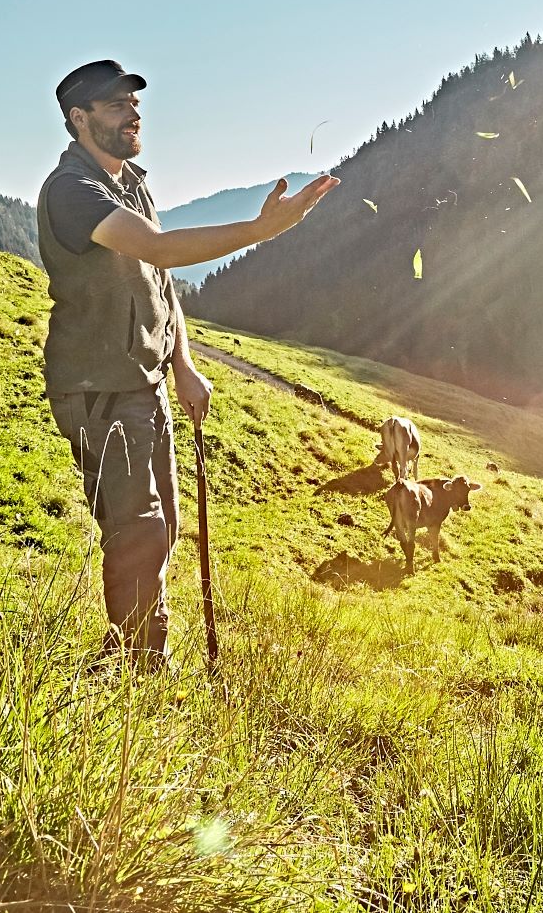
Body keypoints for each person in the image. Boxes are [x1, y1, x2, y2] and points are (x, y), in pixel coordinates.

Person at [37, 59, 337, 667]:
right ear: (79, 118)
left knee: (163, 525)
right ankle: (141, 664)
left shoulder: (132, 182)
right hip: (97, 387)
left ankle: (135, 651)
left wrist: (183, 365)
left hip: (144, 383)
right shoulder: (71, 191)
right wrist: (261, 230)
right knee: (139, 526)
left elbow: (158, 275)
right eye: (116, 104)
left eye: (133, 101)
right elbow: (158, 246)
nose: (132, 112)